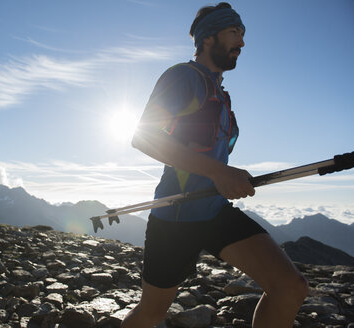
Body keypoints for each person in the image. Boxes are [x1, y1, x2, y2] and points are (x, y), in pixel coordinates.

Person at [121, 3, 308, 328]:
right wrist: (219, 172)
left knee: (290, 286)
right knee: (151, 313)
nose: (243, 42)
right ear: (209, 37)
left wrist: (227, 177)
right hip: (175, 217)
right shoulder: (183, 77)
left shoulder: (220, 94)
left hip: (214, 211)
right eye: (235, 32)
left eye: (243, 34)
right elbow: (144, 138)